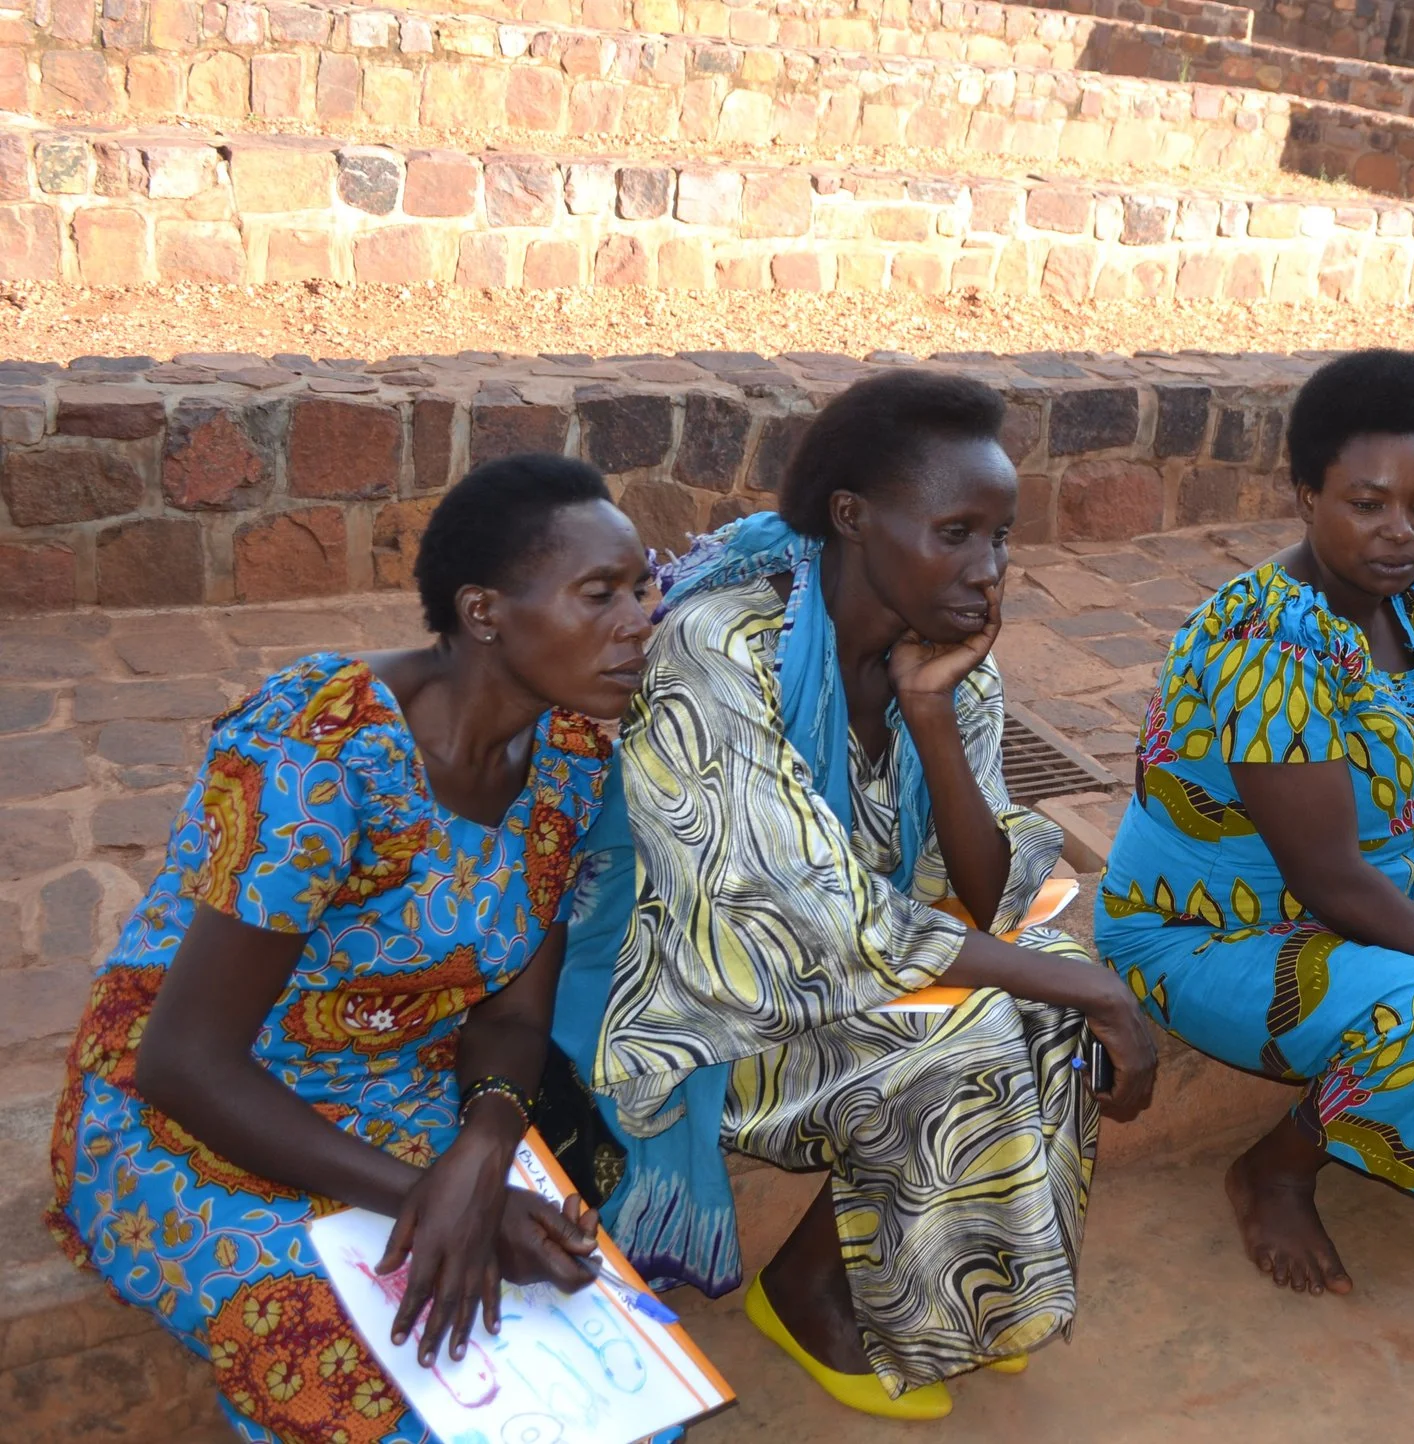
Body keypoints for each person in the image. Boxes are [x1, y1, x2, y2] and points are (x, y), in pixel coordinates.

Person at [556, 370, 1160, 1421]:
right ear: (853, 516)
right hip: (692, 995)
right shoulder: (723, 647)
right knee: (997, 1017)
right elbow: (803, 916)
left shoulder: (946, 652)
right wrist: (1103, 995)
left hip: (836, 983)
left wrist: (930, 712)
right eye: (958, 531)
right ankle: (811, 1295)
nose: (990, 569)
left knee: (1048, 981)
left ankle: (978, 1290)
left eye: (1003, 536)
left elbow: (984, 893)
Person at [48, 455, 653, 1444]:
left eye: (640, 588)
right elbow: (183, 1058)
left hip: (394, 1084)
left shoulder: (569, 753)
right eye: (601, 594)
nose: (638, 620)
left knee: (590, 1368)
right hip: (194, 1111)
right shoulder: (324, 755)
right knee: (377, 1382)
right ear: (485, 612)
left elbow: (509, 1015)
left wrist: (487, 1146)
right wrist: (432, 1195)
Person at [1097, 349, 1414, 1297]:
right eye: (1367, 502)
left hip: (1369, 893)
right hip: (1214, 930)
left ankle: (1412, 1130)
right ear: (1305, 495)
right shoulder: (1268, 644)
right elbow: (1325, 876)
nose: (1402, 533)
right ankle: (1276, 1170)